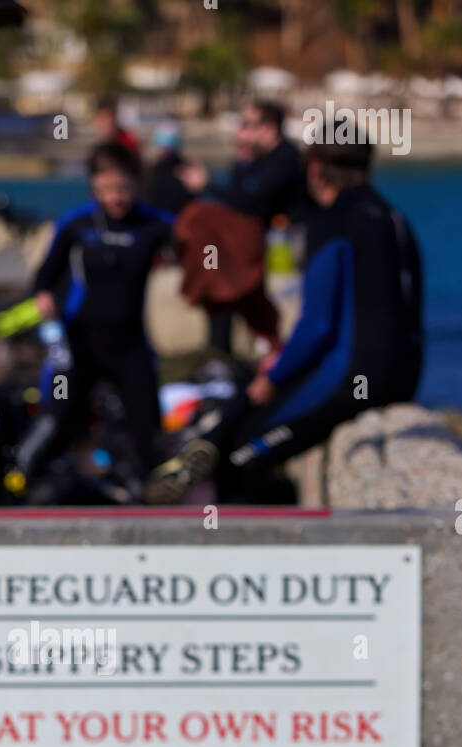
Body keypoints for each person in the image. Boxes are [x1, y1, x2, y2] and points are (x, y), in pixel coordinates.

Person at [145, 131, 423, 505]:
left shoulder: (331, 222)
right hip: (403, 377)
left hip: (352, 380)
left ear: (315, 171)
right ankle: (210, 448)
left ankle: (248, 541)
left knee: (238, 458)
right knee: (249, 420)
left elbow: (318, 325)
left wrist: (274, 378)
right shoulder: (395, 217)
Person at [15, 141, 174, 484]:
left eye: (122, 189)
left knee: (146, 423)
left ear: (137, 184)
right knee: (60, 411)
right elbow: (45, 276)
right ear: (93, 188)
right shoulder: (77, 224)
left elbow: (199, 247)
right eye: (105, 190)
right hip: (80, 340)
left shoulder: (154, 225)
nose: (115, 198)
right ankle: (31, 480)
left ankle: (149, 494)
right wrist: (44, 298)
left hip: (130, 343)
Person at [205, 100, 306, 354]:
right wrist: (243, 157)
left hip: (286, 255)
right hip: (267, 253)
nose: (243, 132)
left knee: (283, 314)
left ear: (270, 129)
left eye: (249, 125)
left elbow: (248, 203)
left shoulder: (286, 159)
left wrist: (206, 185)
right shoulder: (260, 161)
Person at [145, 122, 206, 218]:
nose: (165, 146)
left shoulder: (154, 169)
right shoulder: (155, 169)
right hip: (171, 219)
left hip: (173, 220)